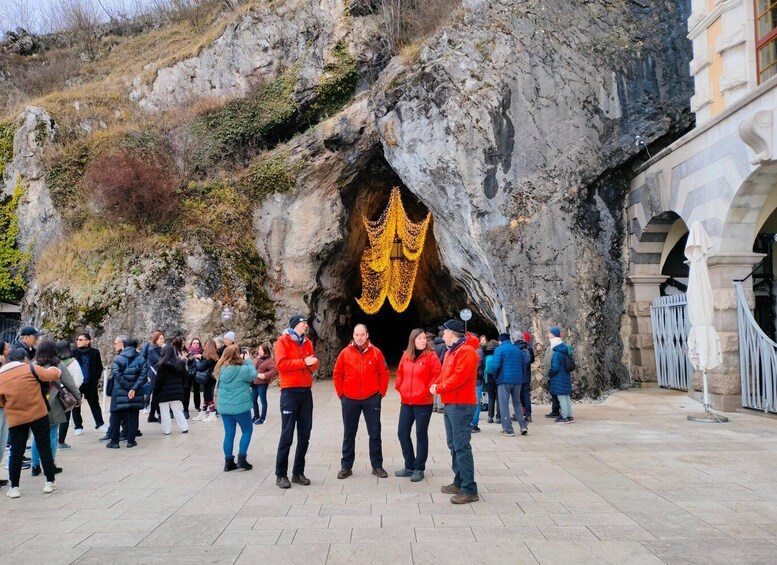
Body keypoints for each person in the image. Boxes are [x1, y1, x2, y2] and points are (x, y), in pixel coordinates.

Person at [0, 343, 63, 498]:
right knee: (44, 446)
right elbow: (53, 375)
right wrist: (55, 368)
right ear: (24, 359)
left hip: (16, 418)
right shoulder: (30, 368)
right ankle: (49, 482)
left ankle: (14, 487)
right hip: (38, 414)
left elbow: (1, 401)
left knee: (16, 451)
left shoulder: (1, 376)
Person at [431, 319, 479, 504]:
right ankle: (459, 481)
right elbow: (445, 374)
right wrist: (435, 383)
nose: (442, 335)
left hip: (461, 404)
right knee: (453, 444)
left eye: (444, 332)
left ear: (452, 333)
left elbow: (459, 377)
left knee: (461, 446)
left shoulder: (466, 352)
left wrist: (440, 387)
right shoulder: (453, 351)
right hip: (451, 403)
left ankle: (469, 489)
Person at [333, 324, 390, 479]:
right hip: (350, 399)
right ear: (353, 335)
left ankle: (377, 466)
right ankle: (346, 466)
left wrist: (380, 393)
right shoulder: (345, 353)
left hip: (372, 399)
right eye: (357, 335)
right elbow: (337, 374)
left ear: (367, 335)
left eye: (362, 334)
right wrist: (341, 395)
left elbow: (384, 373)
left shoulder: (376, 353)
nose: (359, 337)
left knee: (375, 433)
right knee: (349, 433)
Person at [274, 315, 318, 489]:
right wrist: (304, 362)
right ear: (294, 325)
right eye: (303, 323)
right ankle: (281, 474)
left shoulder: (307, 342)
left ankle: (298, 472)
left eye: (306, 323)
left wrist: (313, 363)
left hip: (306, 392)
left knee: (305, 435)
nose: (305, 325)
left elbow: (313, 364)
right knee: (287, 435)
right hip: (290, 392)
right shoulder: (282, 342)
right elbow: (281, 364)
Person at [394, 328, 441, 482]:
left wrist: (427, 389)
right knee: (402, 433)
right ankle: (409, 465)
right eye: (419, 338)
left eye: (424, 338)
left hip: (423, 402)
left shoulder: (431, 356)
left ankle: (419, 468)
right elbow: (399, 373)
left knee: (421, 434)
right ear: (413, 340)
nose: (422, 341)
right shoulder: (406, 356)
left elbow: (437, 374)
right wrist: (400, 387)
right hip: (406, 401)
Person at [30, 341, 81, 477]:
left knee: (37, 436)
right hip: (53, 404)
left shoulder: (33, 365)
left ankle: (35, 466)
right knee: (52, 435)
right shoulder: (58, 364)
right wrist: (78, 399)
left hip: (36, 403)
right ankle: (50, 464)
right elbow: (70, 383)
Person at [215, 344, 256, 471]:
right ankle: (242, 459)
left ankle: (228, 462)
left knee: (229, 433)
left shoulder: (220, 368)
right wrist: (248, 360)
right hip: (240, 407)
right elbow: (253, 375)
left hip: (225, 408)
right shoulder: (242, 369)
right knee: (247, 430)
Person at [107, 338, 146, 448]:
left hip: (119, 391)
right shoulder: (141, 359)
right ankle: (131, 441)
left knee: (115, 416)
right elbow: (143, 376)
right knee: (133, 416)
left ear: (124, 345)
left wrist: (127, 387)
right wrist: (133, 389)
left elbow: (116, 373)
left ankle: (114, 441)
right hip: (135, 393)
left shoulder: (118, 359)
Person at [492, 333, 529, 437]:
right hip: (517, 380)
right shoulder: (518, 350)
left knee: (504, 404)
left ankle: (508, 429)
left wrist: (496, 377)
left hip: (504, 380)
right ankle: (523, 426)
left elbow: (496, 366)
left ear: (500, 341)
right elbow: (523, 366)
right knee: (517, 403)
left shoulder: (499, 349)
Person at [71, 332, 106, 434]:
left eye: (81, 340)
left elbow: (99, 367)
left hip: (90, 383)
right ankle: (78, 426)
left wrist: (95, 378)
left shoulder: (95, 352)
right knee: (76, 405)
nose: (78, 341)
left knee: (94, 404)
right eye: (77, 340)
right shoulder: (73, 353)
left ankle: (100, 424)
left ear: (88, 341)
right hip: (77, 383)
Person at [154, 344, 189, 435]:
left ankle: (167, 430)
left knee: (164, 411)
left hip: (163, 392)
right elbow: (185, 377)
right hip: (176, 391)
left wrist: (155, 393)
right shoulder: (179, 363)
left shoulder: (162, 365)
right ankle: (184, 427)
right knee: (177, 410)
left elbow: (158, 381)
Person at [56, 341, 83, 449]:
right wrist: (72, 391)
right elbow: (79, 379)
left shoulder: (53, 362)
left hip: (53, 392)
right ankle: (61, 442)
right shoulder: (73, 362)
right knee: (65, 417)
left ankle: (52, 439)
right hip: (66, 394)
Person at [548, 327, 575, 424]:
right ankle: (569, 415)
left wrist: (550, 373)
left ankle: (564, 416)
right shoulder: (565, 351)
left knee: (561, 397)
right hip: (565, 376)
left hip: (558, 378)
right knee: (566, 396)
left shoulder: (557, 354)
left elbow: (555, 367)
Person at [192, 339, 219, 422]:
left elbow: (201, 367)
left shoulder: (208, 357)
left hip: (208, 379)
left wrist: (197, 360)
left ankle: (212, 413)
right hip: (212, 378)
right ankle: (202, 413)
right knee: (206, 396)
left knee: (208, 396)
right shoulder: (215, 356)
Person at [251, 342, 278, 424]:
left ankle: (262, 418)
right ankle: (256, 415)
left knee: (263, 400)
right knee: (253, 400)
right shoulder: (257, 358)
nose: (259, 351)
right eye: (259, 349)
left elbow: (274, 371)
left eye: (261, 349)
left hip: (262, 383)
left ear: (265, 351)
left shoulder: (269, 360)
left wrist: (264, 375)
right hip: (254, 382)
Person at [141, 330, 164, 422]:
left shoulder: (158, 348)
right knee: (157, 394)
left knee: (156, 395)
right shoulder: (152, 349)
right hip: (153, 373)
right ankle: (159, 415)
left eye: (163, 338)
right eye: (161, 338)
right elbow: (160, 361)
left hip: (156, 372)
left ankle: (152, 415)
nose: (163, 340)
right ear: (155, 339)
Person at [514, 333, 533, 423]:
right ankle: (528, 415)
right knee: (526, 395)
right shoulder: (528, 347)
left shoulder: (514, 348)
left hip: (517, 375)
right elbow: (531, 359)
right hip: (526, 374)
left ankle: (520, 413)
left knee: (517, 395)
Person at [543, 327, 562, 419]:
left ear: (554, 334)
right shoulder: (550, 345)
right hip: (550, 373)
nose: (548, 334)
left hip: (554, 373)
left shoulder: (556, 345)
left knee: (557, 392)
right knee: (553, 392)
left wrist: (551, 372)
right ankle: (555, 410)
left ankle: (560, 411)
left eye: (550, 333)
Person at [470, 332, 485, 433]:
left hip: (474, 380)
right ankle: (473, 424)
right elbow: (478, 365)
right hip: (476, 380)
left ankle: (473, 423)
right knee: (476, 403)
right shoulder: (478, 351)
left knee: (474, 402)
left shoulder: (475, 351)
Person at [185, 338, 203, 418]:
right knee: (187, 390)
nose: (195, 345)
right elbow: (186, 364)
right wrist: (190, 359)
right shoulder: (188, 352)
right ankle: (185, 408)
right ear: (191, 344)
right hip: (188, 373)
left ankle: (197, 406)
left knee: (197, 390)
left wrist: (200, 357)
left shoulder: (201, 352)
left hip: (197, 373)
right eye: (194, 343)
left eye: (197, 343)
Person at [483, 340, 499, 423]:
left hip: (489, 377)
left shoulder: (487, 355)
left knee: (491, 397)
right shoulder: (498, 354)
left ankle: (490, 416)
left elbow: (484, 368)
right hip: (498, 377)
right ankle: (499, 417)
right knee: (498, 398)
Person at [432, 331, 447, 412]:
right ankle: (440, 407)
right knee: (440, 386)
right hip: (441, 368)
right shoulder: (444, 346)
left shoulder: (435, 344)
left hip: (434, 367)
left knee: (434, 385)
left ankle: (434, 405)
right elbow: (442, 358)